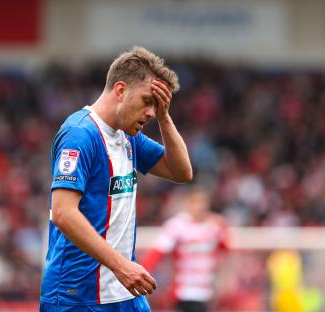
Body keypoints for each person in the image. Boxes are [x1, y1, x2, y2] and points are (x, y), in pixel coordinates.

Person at [40, 46, 192, 312]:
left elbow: (182, 172)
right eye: (148, 101)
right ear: (120, 91)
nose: (151, 113)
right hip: (77, 295)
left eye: (156, 106)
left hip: (124, 291)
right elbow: (63, 213)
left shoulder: (128, 136)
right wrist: (121, 265)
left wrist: (165, 118)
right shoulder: (80, 134)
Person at [140, 188, 230, 312]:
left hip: (206, 290)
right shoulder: (176, 225)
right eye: (196, 203)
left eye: (203, 203)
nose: (200, 207)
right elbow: (156, 252)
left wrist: (223, 227)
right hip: (184, 291)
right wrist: (144, 273)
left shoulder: (213, 226)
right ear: (188, 204)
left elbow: (224, 247)